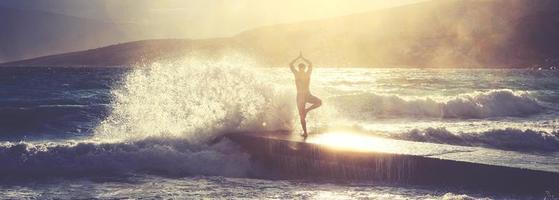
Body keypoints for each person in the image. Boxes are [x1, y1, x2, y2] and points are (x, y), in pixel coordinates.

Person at [290, 52, 322, 137]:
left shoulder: (301, 74)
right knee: (302, 115)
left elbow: (291, 64)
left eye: (302, 68)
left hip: (305, 95)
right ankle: (305, 132)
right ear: (300, 68)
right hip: (302, 96)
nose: (301, 70)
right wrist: (301, 58)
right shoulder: (301, 73)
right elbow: (309, 64)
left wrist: (300, 58)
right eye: (300, 68)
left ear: (304, 68)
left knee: (319, 102)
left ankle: (307, 111)